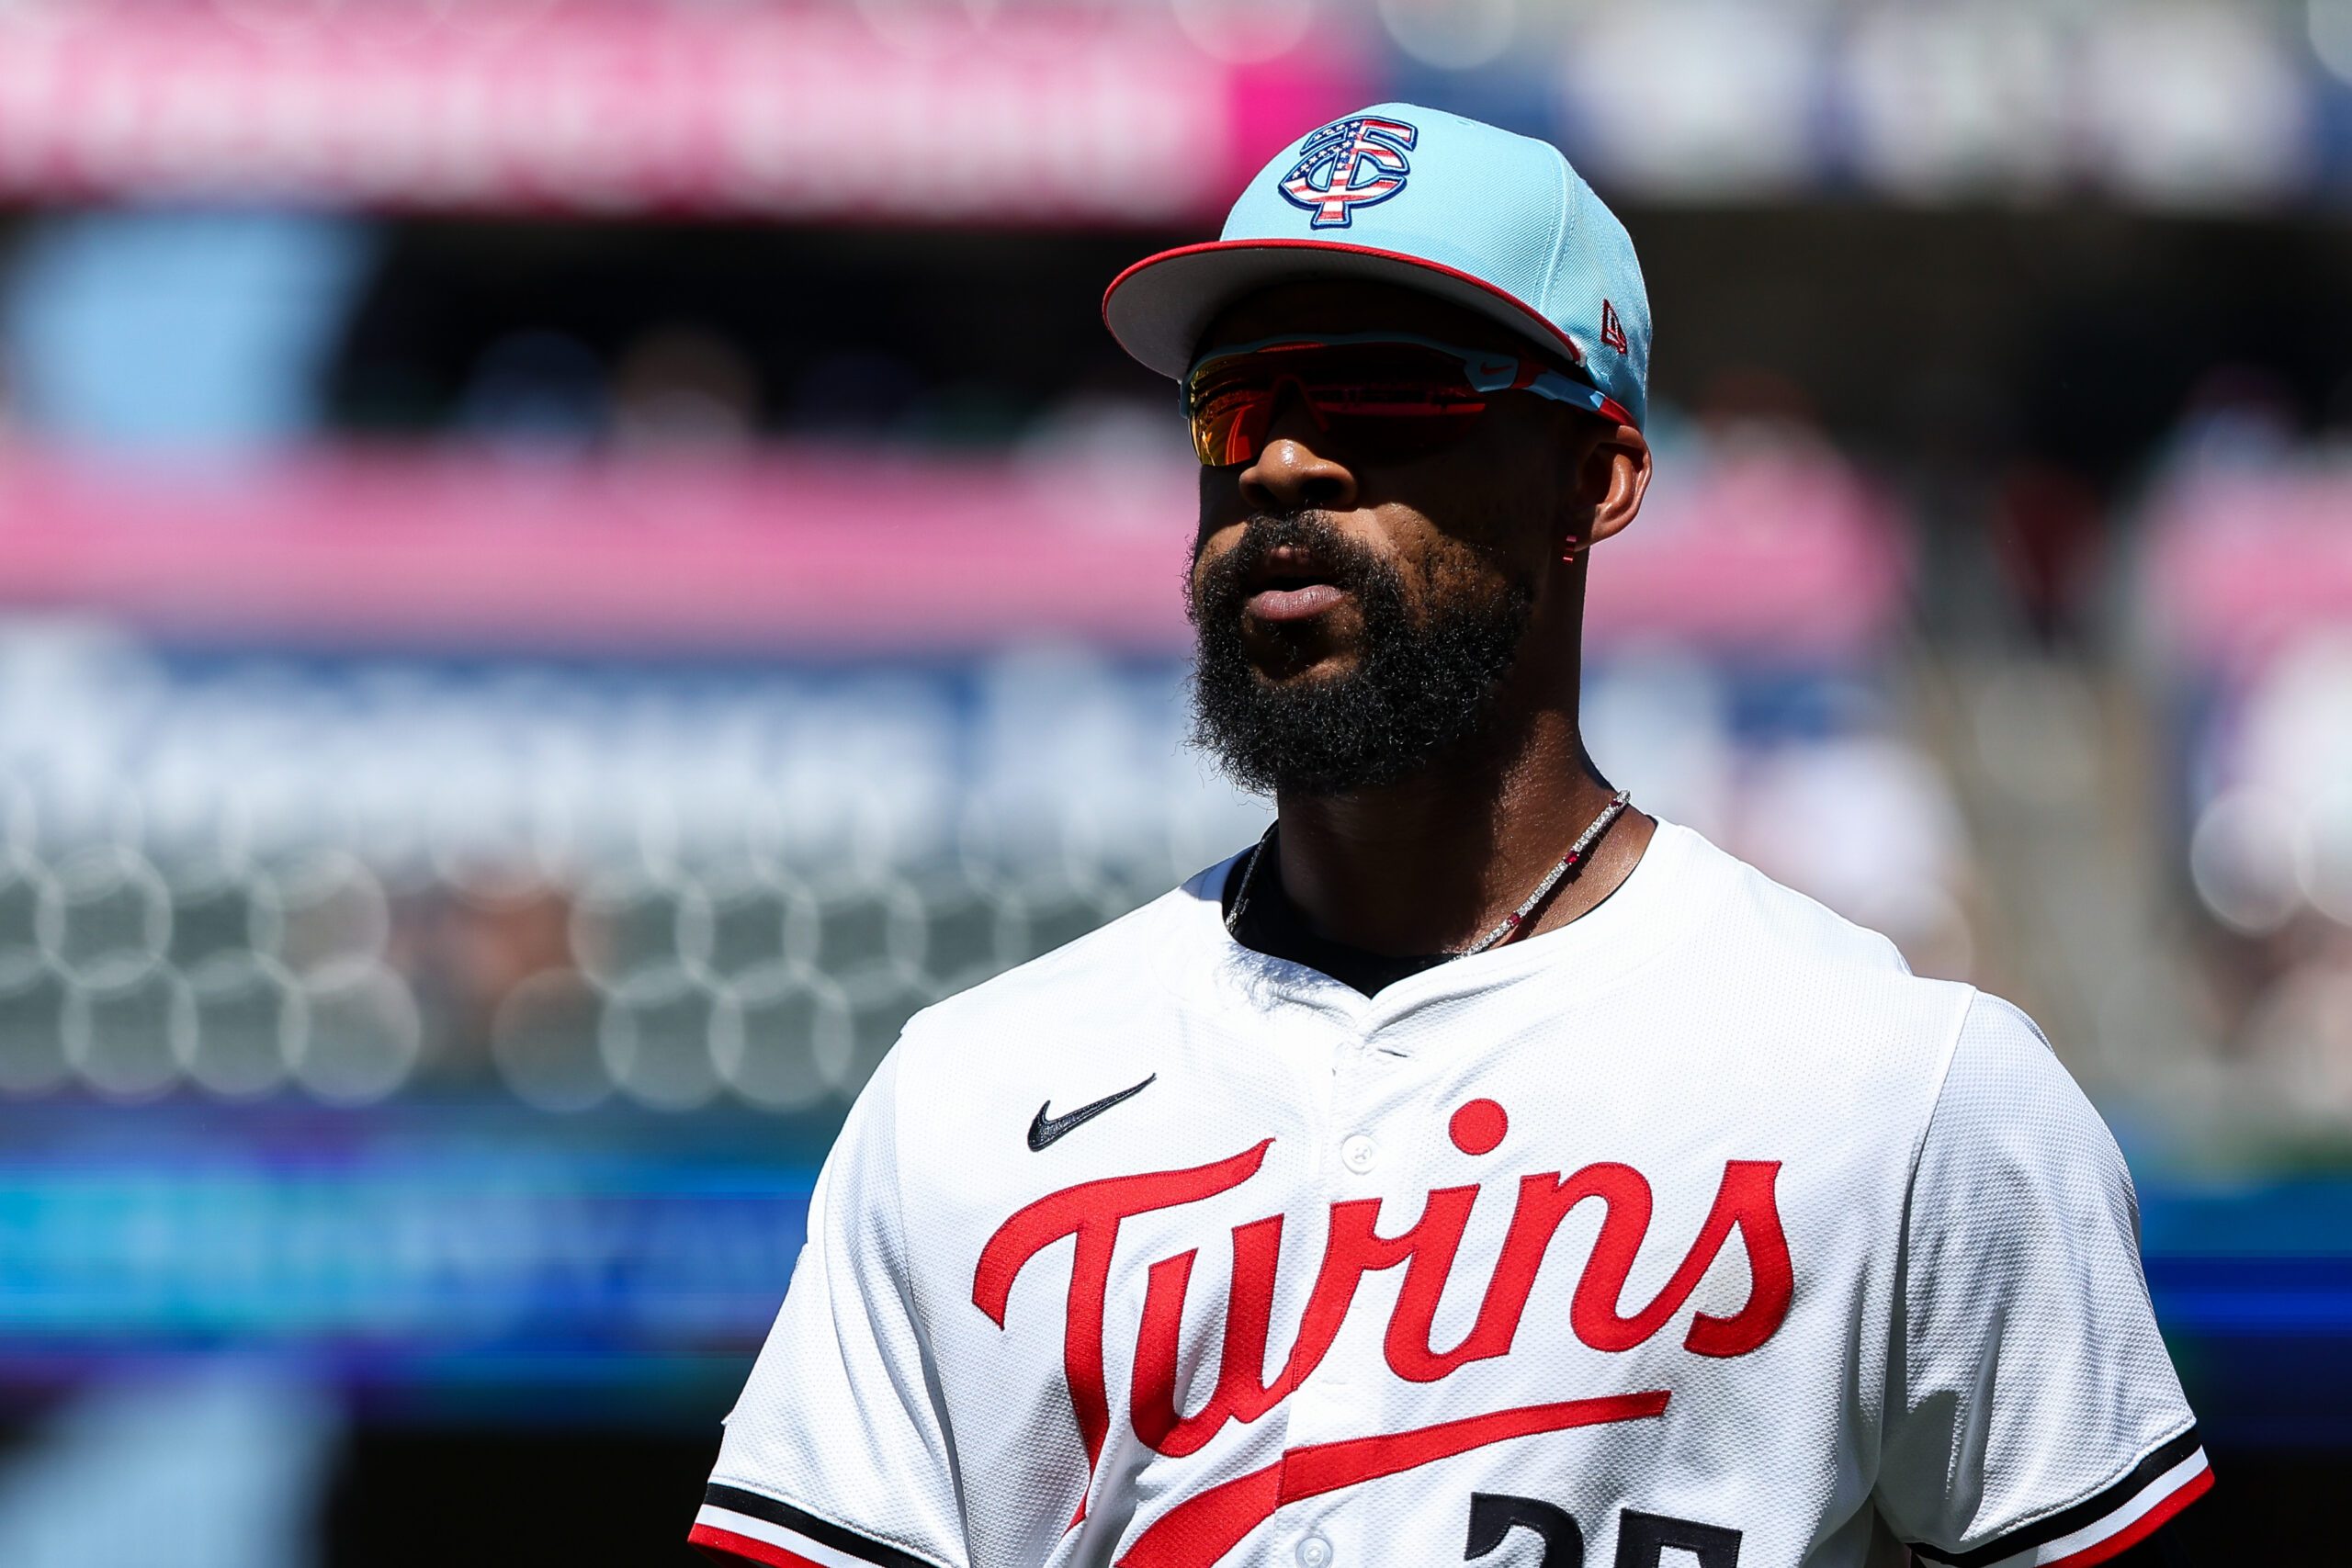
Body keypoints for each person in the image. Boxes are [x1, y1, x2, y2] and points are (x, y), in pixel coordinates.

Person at [691, 106, 2206, 1568]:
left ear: (1594, 477)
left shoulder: (1910, 1090)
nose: (1284, 466)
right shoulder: (967, 1097)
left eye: (1385, 393)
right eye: (1237, 407)